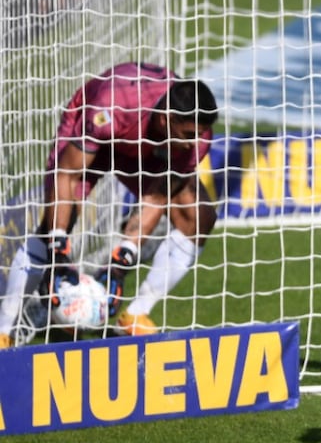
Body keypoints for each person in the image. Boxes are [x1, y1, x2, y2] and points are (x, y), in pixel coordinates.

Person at [0, 62, 218, 346]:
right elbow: (67, 175)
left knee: (198, 217)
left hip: (146, 149)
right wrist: (57, 246)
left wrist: (122, 259)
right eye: (189, 135)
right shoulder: (109, 107)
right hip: (93, 134)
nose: (195, 143)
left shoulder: (197, 139)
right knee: (56, 223)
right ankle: (4, 330)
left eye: (199, 134)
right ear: (167, 120)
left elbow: (157, 196)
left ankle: (134, 316)